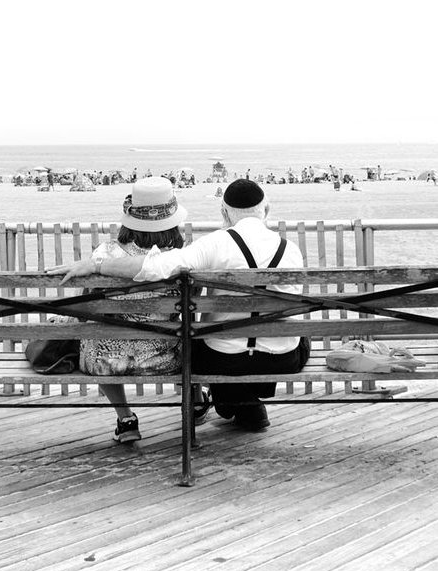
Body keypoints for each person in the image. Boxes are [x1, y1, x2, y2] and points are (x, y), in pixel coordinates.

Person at [47, 179, 310, 433]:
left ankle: (238, 404)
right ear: (267, 211)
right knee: (293, 337)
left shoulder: (214, 244)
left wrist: (96, 265)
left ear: (225, 213)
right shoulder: (292, 250)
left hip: (222, 360)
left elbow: (154, 267)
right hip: (283, 360)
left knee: (205, 341)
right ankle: (243, 406)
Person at [47, 176, 209, 444]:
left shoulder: (105, 254)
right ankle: (196, 403)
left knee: (96, 339)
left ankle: (126, 419)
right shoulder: (182, 258)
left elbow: (84, 309)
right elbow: (192, 310)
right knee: (189, 337)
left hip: (104, 363)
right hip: (166, 360)